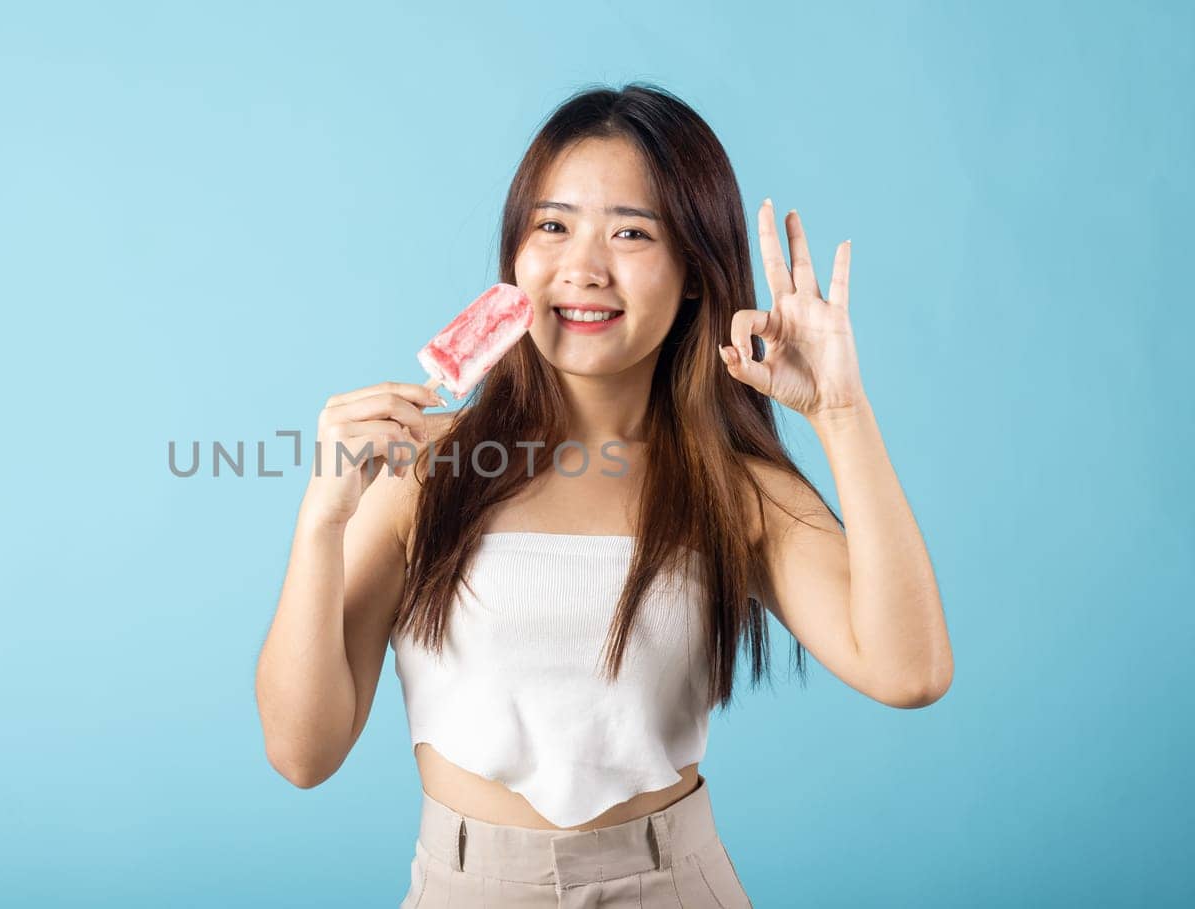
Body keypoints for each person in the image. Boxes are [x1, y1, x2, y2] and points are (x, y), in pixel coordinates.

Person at [254, 82, 953, 908]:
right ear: (514, 256)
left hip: (674, 883)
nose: (583, 267)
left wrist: (842, 414)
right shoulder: (424, 470)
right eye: (552, 226)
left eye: (630, 232)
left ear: (694, 272)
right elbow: (304, 753)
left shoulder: (735, 488)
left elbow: (910, 671)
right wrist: (320, 523)